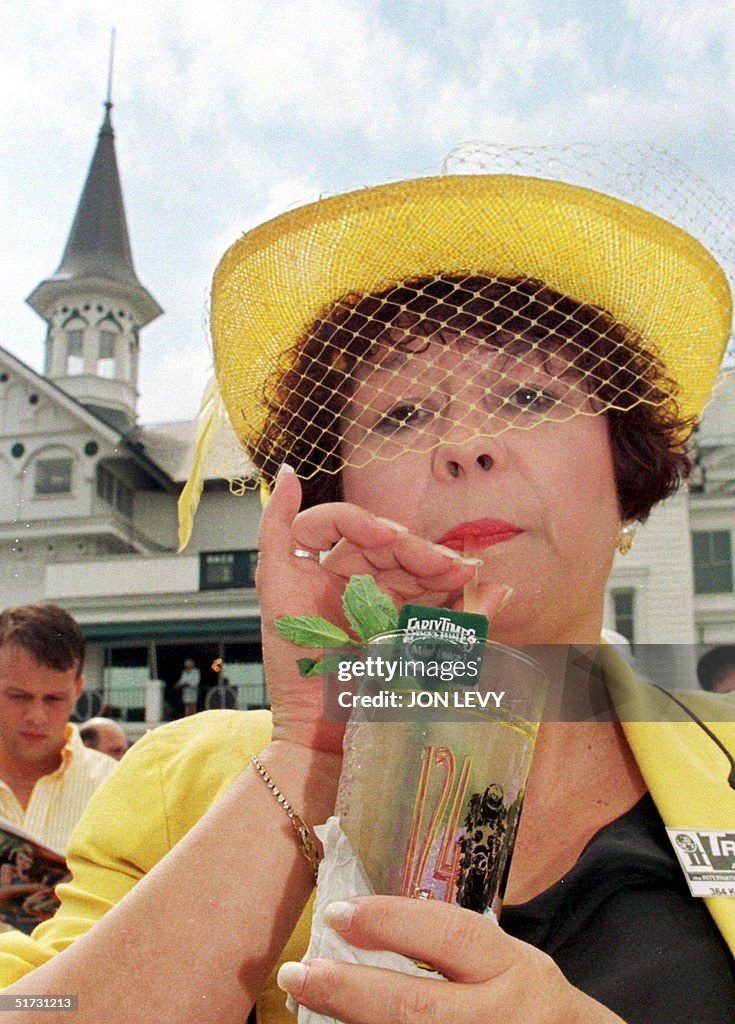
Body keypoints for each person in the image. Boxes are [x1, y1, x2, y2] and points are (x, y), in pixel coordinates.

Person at [1, 173, 734, 1023]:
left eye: (529, 397)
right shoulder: (185, 784)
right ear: (336, 489)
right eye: (401, 414)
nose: (465, 447)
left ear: (624, 465)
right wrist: (315, 751)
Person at [0, 604, 118, 853]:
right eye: (19, 696)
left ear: (77, 690)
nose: (36, 717)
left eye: (53, 699)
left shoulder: (116, 786)